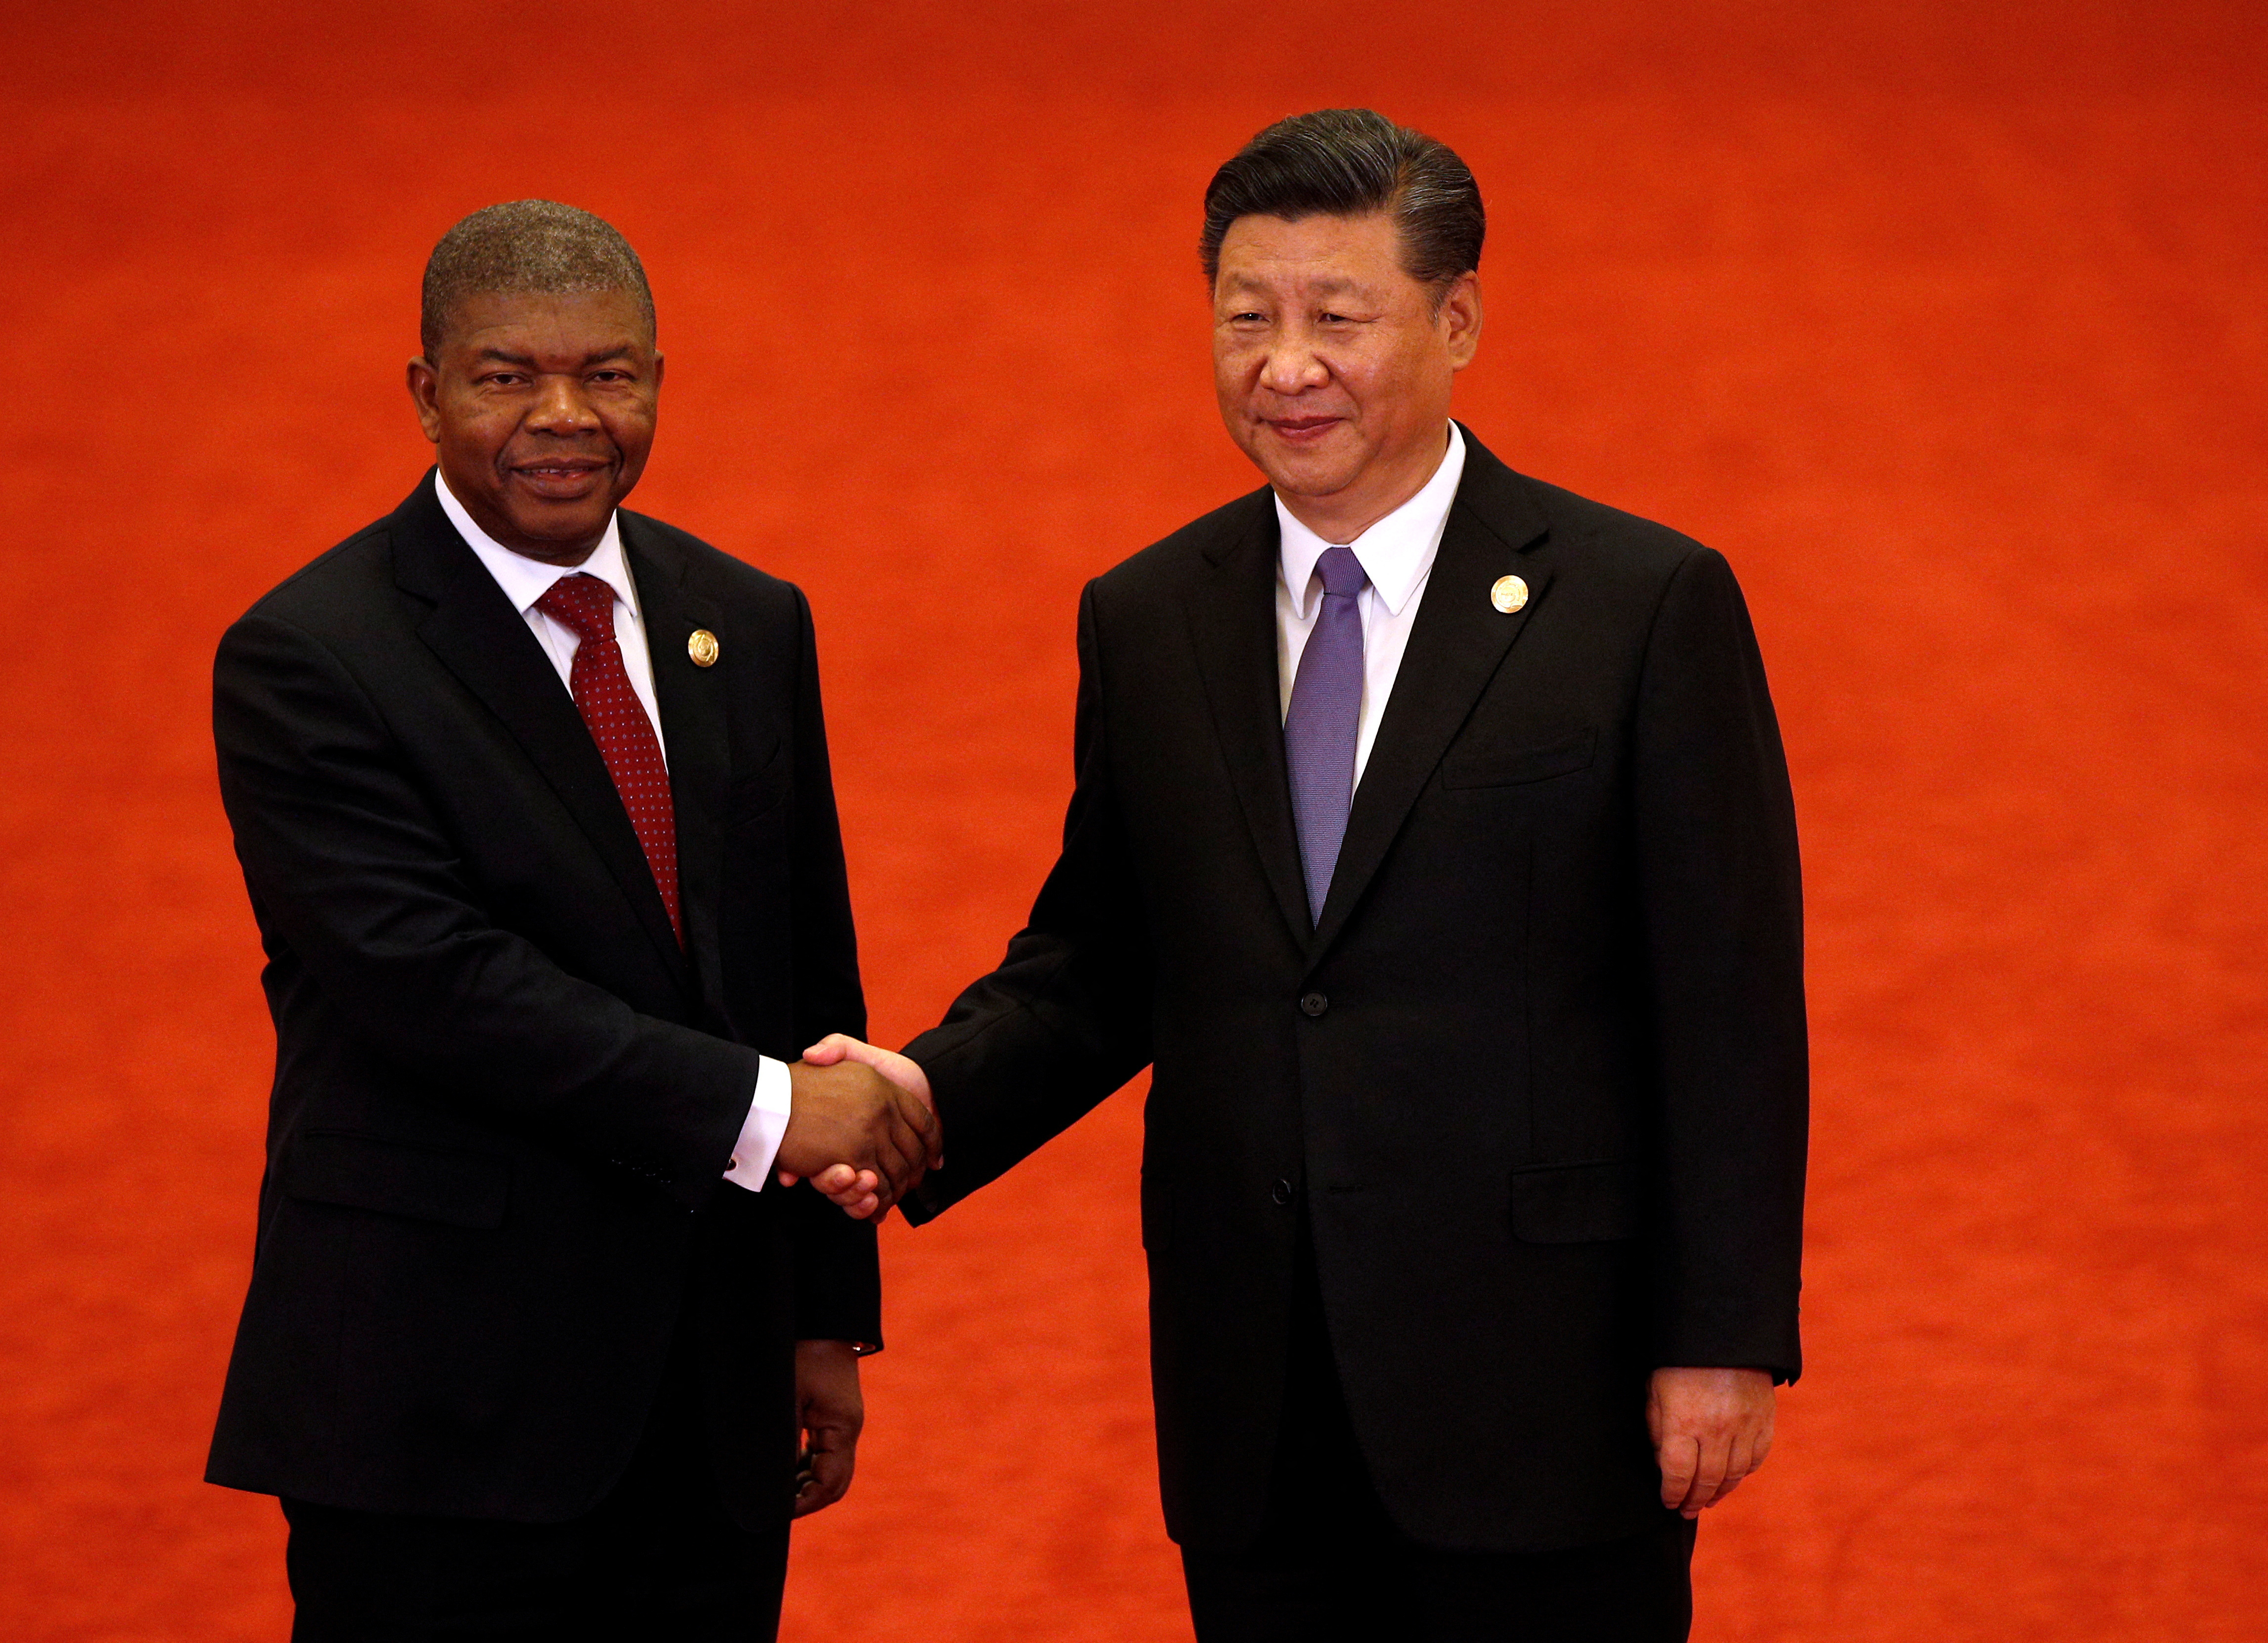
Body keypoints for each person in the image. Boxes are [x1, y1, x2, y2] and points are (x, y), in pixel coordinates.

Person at [806, 111, 1807, 1640]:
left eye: (1338, 319)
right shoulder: (1150, 617)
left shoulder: (1640, 604)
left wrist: (1724, 1337)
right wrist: (924, 1097)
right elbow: (1105, 960)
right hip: (1255, 1396)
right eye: (1247, 319)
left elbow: (1728, 1003)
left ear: (1458, 320)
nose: (1286, 369)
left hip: (1544, 1387)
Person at [205, 200, 939, 1641]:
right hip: (438, 1403)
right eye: (505, 377)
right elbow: (434, 984)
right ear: (424, 392)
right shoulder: (310, 658)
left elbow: (802, 969)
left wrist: (820, 1315)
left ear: (659, 377)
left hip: (708, 1391)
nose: (563, 418)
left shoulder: (748, 618)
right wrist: (770, 1113)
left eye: (608, 375)